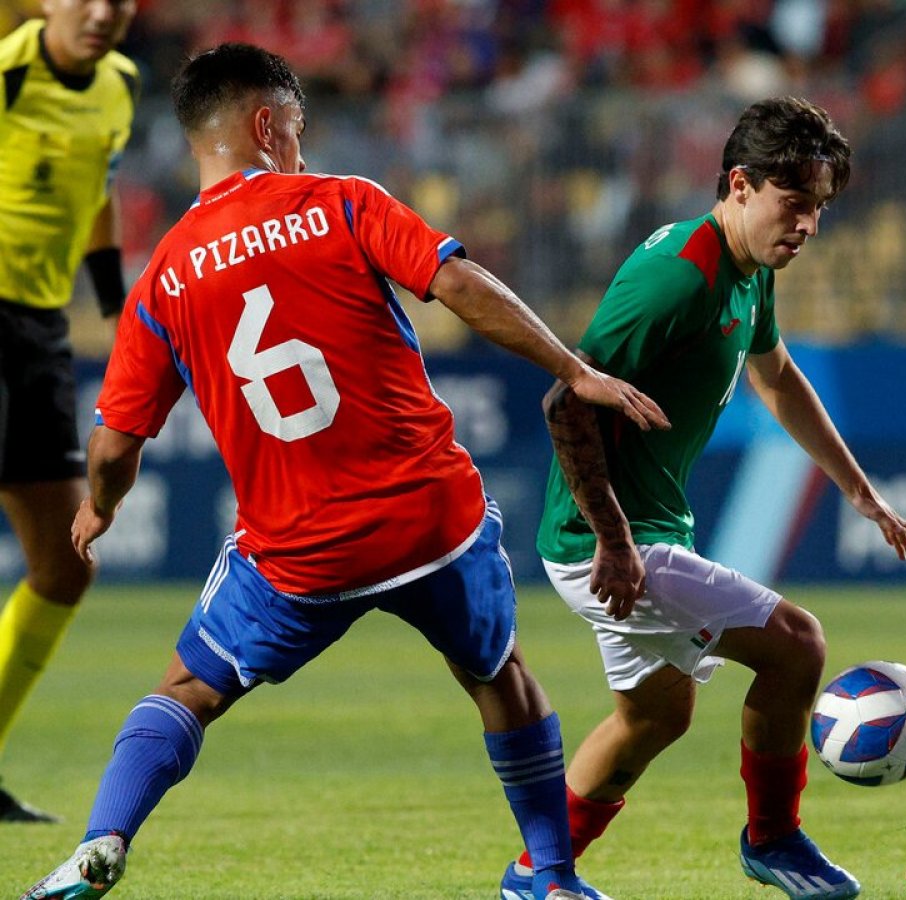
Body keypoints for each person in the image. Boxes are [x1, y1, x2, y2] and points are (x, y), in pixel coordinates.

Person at [21, 43, 668, 900]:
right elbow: (461, 284)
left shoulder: (166, 273)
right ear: (266, 126)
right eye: (295, 128)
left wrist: (101, 509)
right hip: (433, 523)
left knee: (187, 689)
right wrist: (571, 368)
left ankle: (102, 840)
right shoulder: (343, 204)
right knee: (498, 674)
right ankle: (550, 878)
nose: (301, 145)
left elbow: (111, 447)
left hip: (299, 552)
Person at [514, 97, 906, 900]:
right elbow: (567, 403)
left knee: (654, 719)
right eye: (795, 203)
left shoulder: (751, 268)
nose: (808, 225)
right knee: (799, 645)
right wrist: (615, 541)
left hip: (637, 532)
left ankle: (540, 875)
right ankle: (774, 840)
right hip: (608, 542)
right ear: (740, 184)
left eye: (820, 209)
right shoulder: (680, 278)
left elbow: (776, 378)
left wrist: (859, 490)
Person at [0, 0, 138, 823]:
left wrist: (120, 311)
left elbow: (98, 192)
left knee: (63, 565)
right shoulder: (8, 71)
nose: (101, 11)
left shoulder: (118, 85)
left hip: (40, 330)